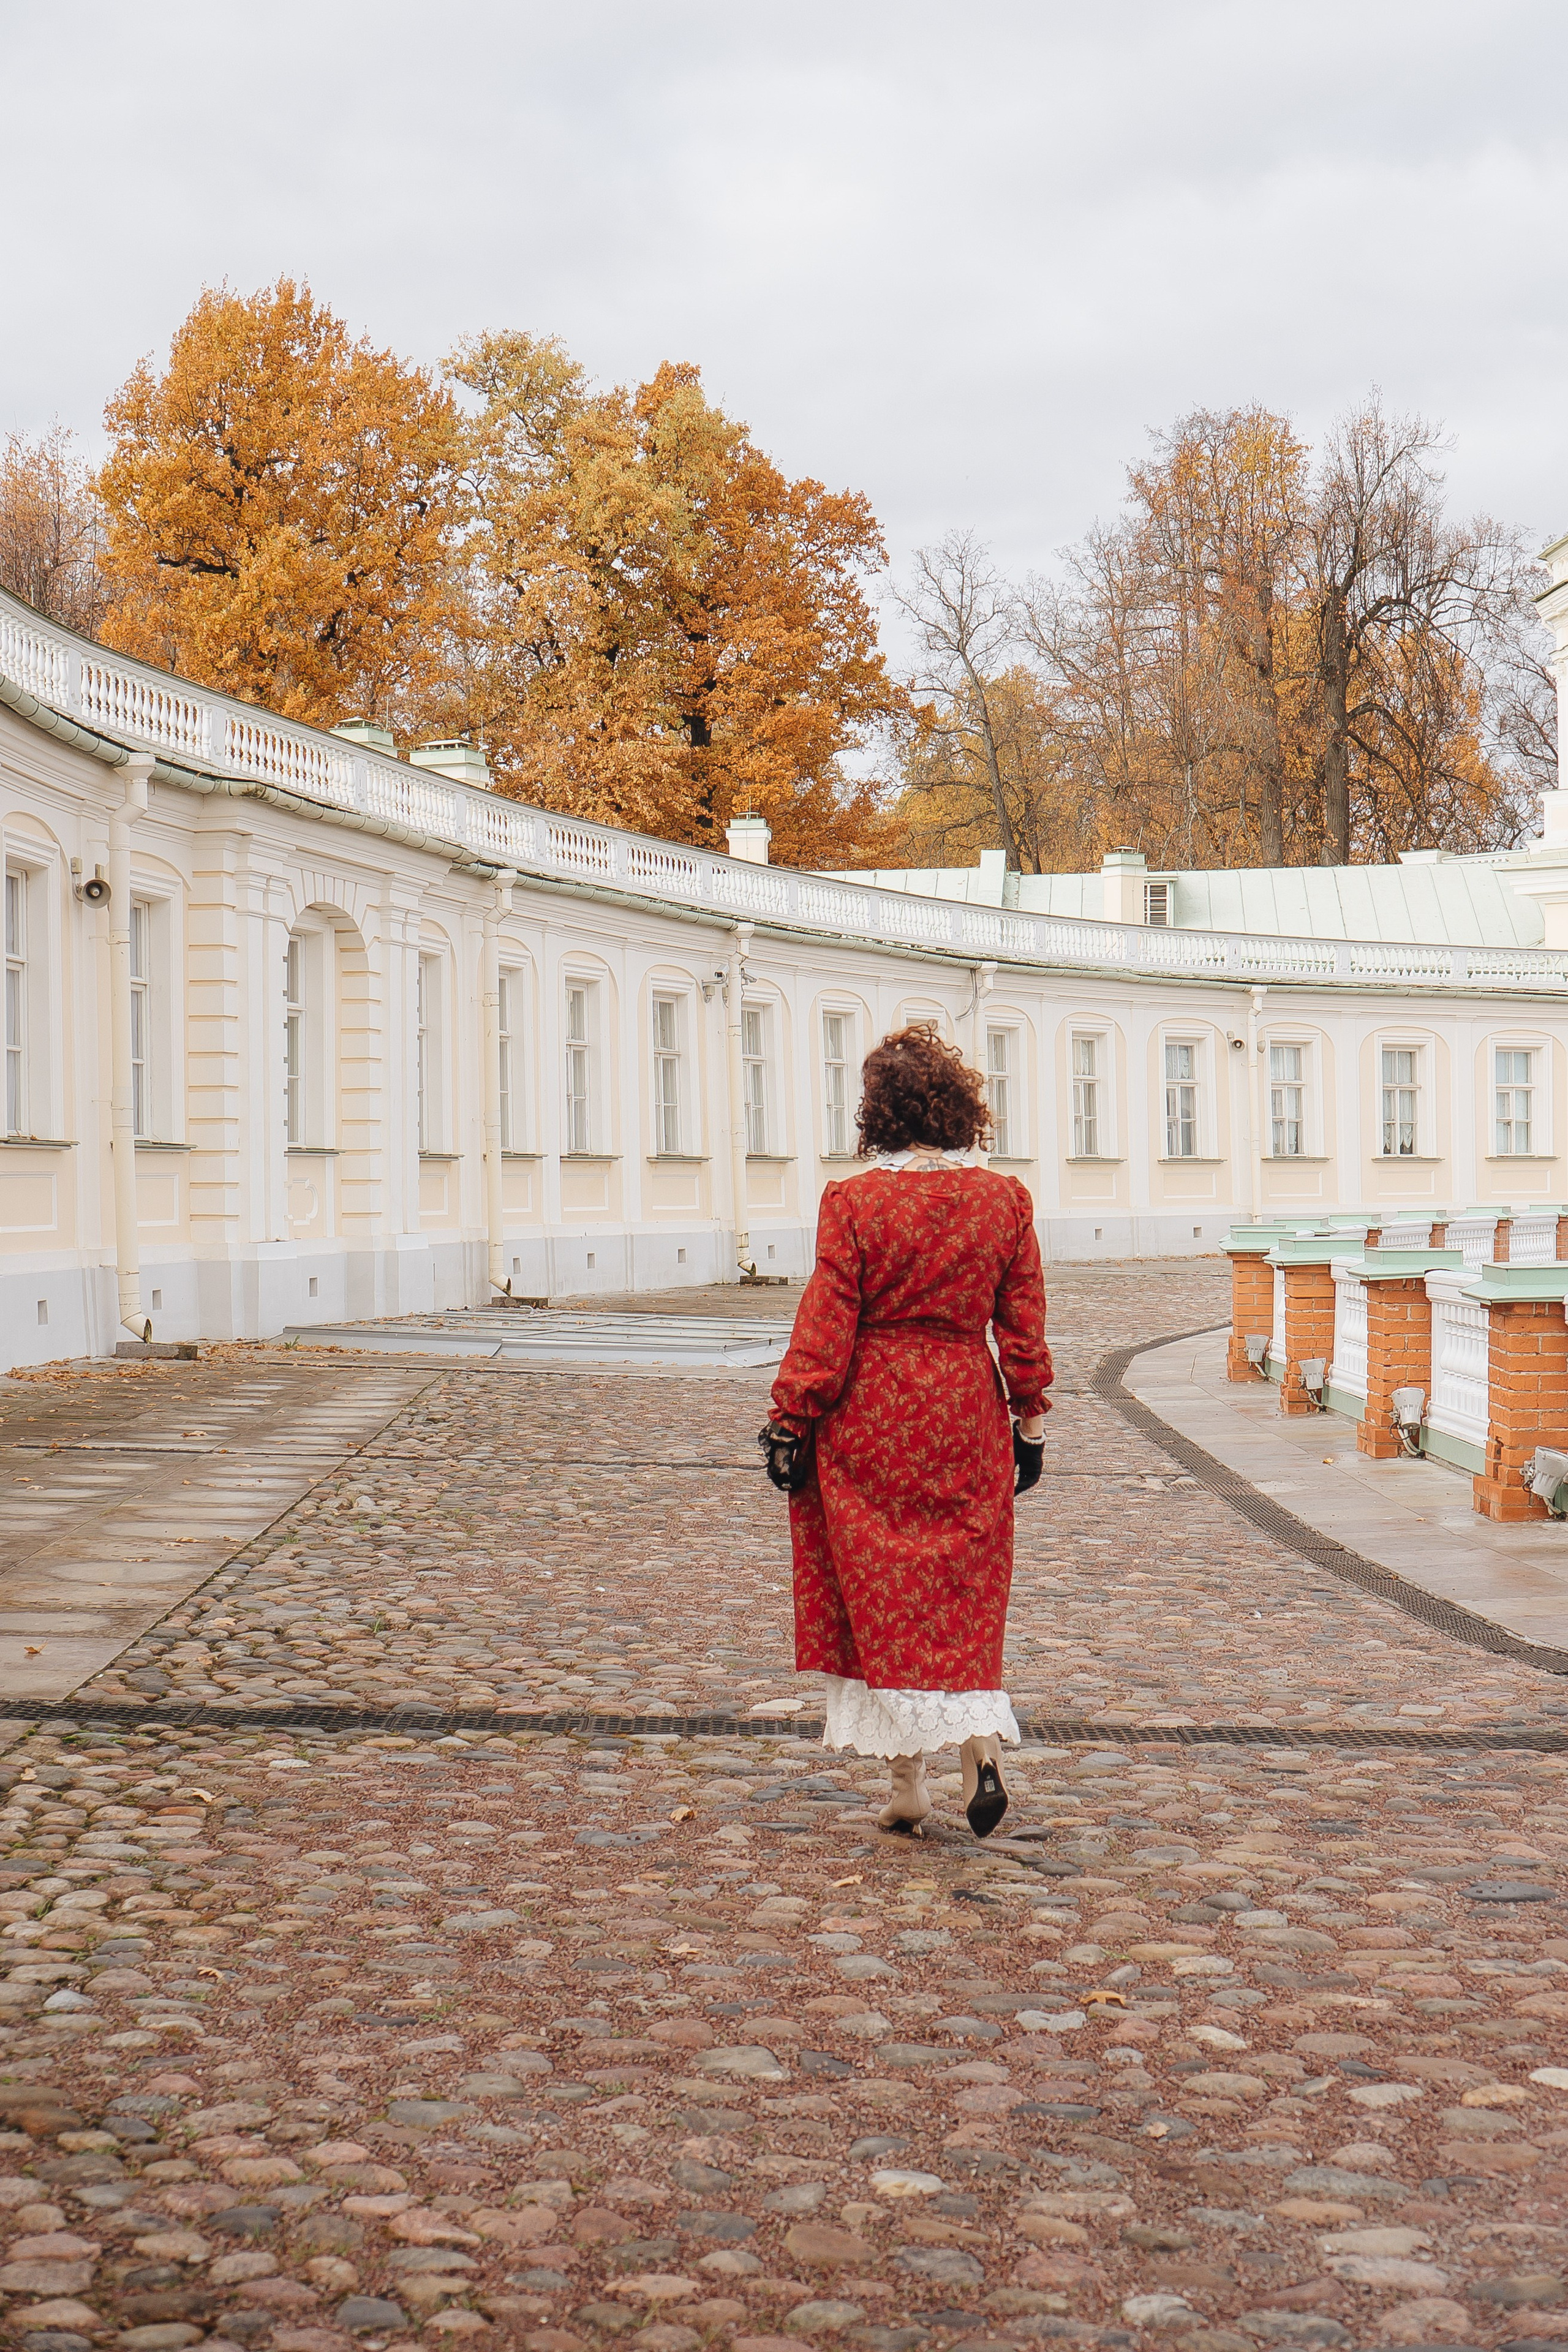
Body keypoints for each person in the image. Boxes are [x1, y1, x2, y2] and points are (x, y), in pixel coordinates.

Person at [758, 1023, 1051, 1839]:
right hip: (966, 1408)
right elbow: (1023, 1325)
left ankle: (907, 1787)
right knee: (963, 1588)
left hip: (873, 1412)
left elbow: (827, 1322)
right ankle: (979, 1751)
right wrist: (1028, 1421)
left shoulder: (853, 1202)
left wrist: (791, 1417)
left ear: (876, 1114)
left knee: (881, 1592)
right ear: (961, 1109)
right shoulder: (1004, 1201)